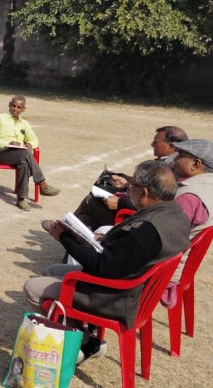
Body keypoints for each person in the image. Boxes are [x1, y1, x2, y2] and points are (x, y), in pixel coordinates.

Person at [24, 161, 190, 363]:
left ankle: (83, 343)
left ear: (144, 192)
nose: (129, 191)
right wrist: (98, 239)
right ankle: (83, 336)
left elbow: (102, 267)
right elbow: (125, 255)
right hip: (137, 287)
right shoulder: (175, 214)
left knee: (33, 287)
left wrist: (64, 238)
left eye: (132, 186)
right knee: (52, 270)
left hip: (116, 296)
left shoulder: (147, 230)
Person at [72, 126, 189, 230]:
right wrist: (127, 183)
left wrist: (121, 202)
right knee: (87, 214)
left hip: (135, 217)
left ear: (171, 147)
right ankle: (73, 234)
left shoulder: (169, 169)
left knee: (89, 202)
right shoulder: (171, 164)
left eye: (156, 142)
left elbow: (156, 200)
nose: (152, 144)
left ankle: (68, 229)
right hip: (140, 211)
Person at [160, 139, 213, 307]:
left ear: (196, 164)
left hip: (164, 269)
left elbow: (164, 236)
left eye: (180, 156)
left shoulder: (189, 197)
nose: (174, 160)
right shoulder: (207, 186)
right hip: (177, 264)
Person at [0, 95, 60, 211]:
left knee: (24, 163)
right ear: (9, 105)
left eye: (19, 107)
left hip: (20, 155)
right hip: (0, 153)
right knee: (25, 155)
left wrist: (30, 144)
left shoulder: (25, 124)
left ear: (23, 109)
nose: (15, 109)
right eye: (13, 106)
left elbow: (34, 139)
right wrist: (8, 142)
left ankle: (21, 200)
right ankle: (43, 185)